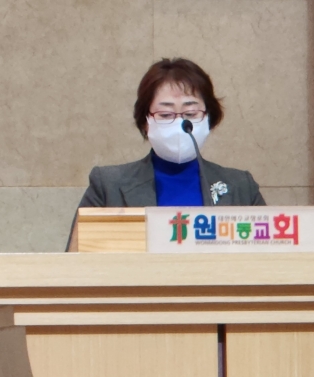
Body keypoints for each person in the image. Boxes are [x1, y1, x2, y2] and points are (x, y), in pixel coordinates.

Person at [67, 58, 266, 250]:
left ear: (208, 118)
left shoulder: (241, 186)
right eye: (165, 115)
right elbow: (75, 262)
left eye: (190, 114)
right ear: (146, 122)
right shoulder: (108, 185)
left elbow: (270, 259)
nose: (180, 124)